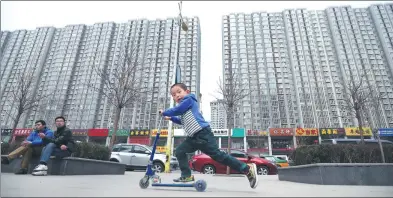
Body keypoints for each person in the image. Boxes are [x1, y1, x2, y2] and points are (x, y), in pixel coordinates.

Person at [160, 83, 259, 189]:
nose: (177, 96)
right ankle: (186, 176)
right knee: (179, 151)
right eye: (174, 95)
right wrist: (171, 118)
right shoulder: (184, 109)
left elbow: (177, 110)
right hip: (193, 137)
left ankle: (246, 169)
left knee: (219, 156)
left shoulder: (189, 100)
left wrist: (165, 112)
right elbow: (182, 120)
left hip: (203, 134)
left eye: (179, 92)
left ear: (187, 92)